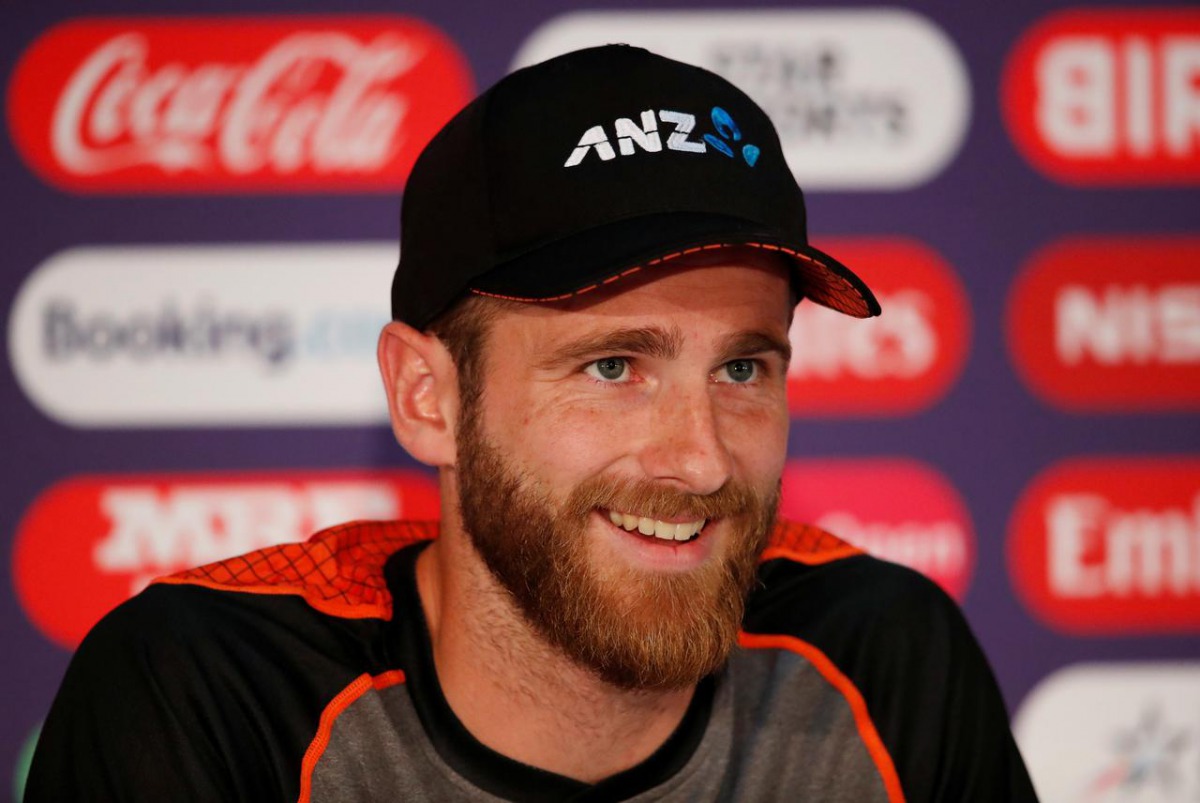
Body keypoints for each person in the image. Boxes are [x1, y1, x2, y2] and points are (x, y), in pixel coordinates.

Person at [26, 45, 1037, 802]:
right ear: (430, 397)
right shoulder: (212, 693)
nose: (700, 455)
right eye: (612, 365)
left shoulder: (883, 661)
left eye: (741, 365)